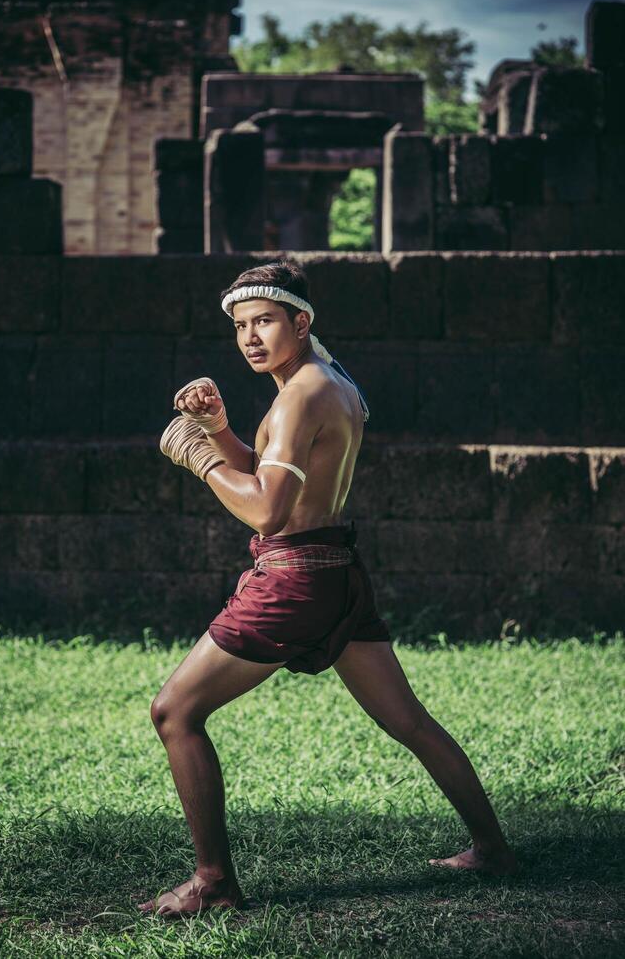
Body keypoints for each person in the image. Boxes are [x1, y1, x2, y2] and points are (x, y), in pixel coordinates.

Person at [137, 258, 517, 919]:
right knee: (409, 721)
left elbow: (267, 512)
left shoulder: (300, 396)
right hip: (336, 573)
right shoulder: (327, 382)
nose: (251, 337)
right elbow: (280, 482)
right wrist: (221, 428)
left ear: (300, 320)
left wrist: (198, 456)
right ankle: (493, 849)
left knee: (174, 712)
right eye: (241, 326)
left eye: (265, 322)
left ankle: (214, 883)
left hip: (293, 582)